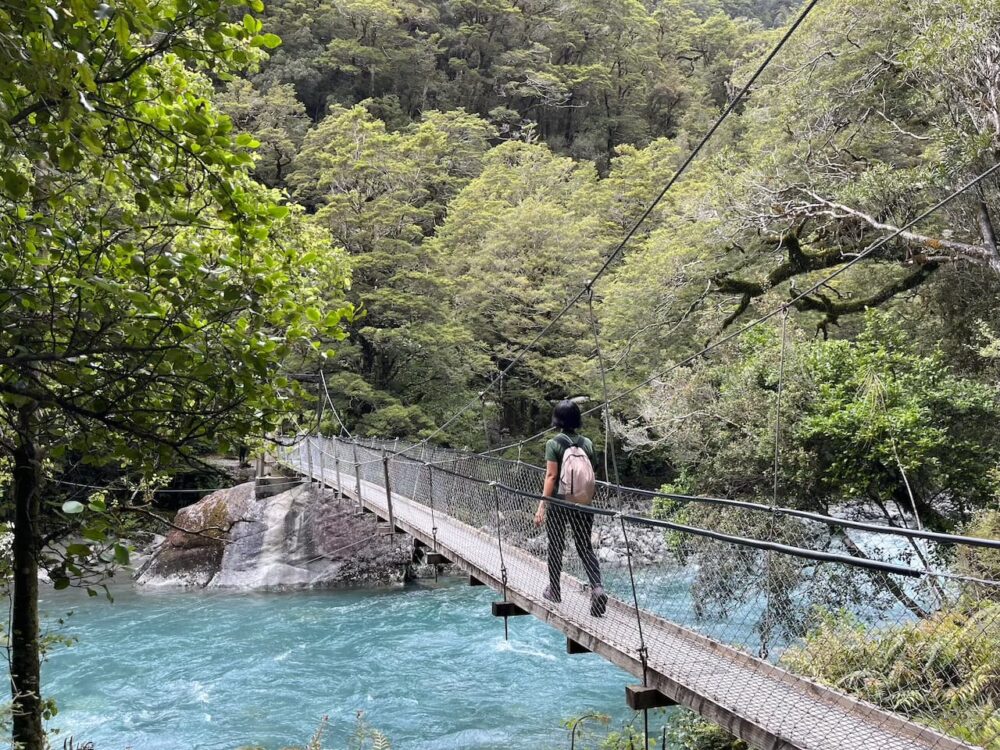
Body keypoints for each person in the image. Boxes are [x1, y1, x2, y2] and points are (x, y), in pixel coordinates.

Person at [533, 400, 608, 617]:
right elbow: (591, 472)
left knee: (555, 545)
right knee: (585, 546)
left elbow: (551, 476)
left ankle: (555, 591)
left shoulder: (553, 444)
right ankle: (597, 588)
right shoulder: (588, 443)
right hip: (584, 503)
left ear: (557, 420)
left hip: (559, 503)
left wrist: (541, 507)